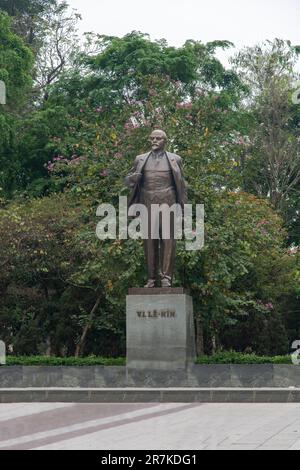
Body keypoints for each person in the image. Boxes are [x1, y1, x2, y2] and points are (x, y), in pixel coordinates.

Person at [125, 129, 187, 288]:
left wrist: (183, 208)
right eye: (152, 138)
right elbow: (128, 180)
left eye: (158, 138)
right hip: (147, 202)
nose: (154, 141)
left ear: (165, 141)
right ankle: (151, 279)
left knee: (168, 241)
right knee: (149, 242)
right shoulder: (140, 159)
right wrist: (132, 179)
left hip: (169, 201)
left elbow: (181, 185)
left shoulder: (175, 159)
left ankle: (166, 278)